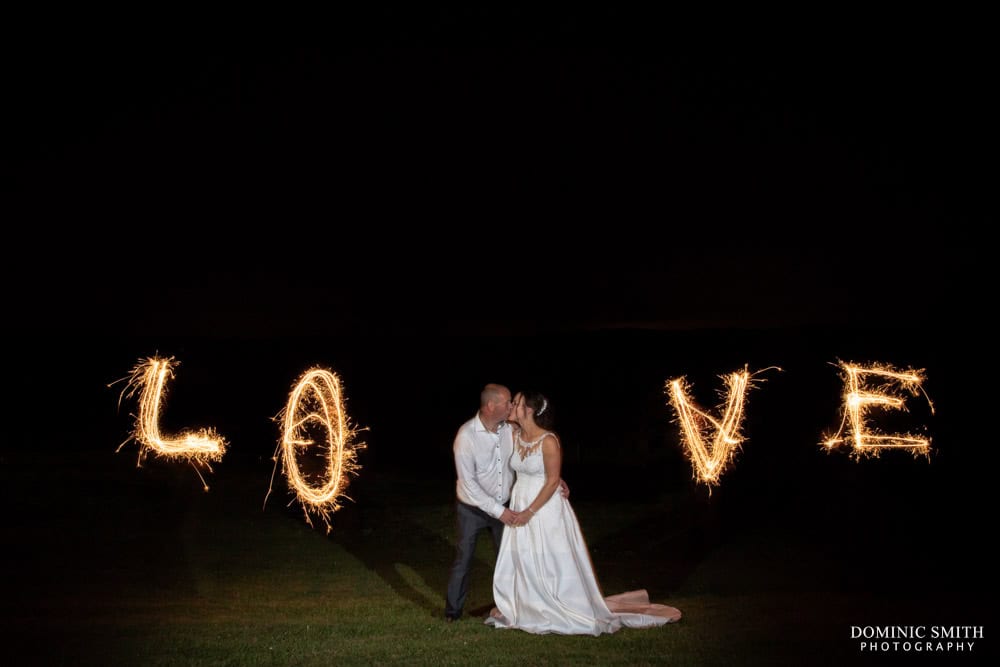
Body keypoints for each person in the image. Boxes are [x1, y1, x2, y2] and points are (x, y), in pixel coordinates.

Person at [485, 390, 682, 635]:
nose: (512, 405)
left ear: (530, 411)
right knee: (523, 556)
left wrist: (530, 511)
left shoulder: (548, 440)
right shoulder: (514, 435)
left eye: (517, 403)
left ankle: (560, 604)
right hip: (519, 499)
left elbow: (550, 481)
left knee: (551, 557)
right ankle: (527, 604)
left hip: (544, 507)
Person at [444, 383, 567, 622]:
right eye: (508, 402)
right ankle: (452, 612)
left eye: (514, 402)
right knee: (464, 556)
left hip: (505, 504)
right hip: (472, 507)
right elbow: (469, 485)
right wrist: (499, 512)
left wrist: (555, 477)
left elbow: (532, 454)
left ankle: (511, 604)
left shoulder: (510, 430)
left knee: (511, 556)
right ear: (491, 406)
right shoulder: (466, 436)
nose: (512, 406)